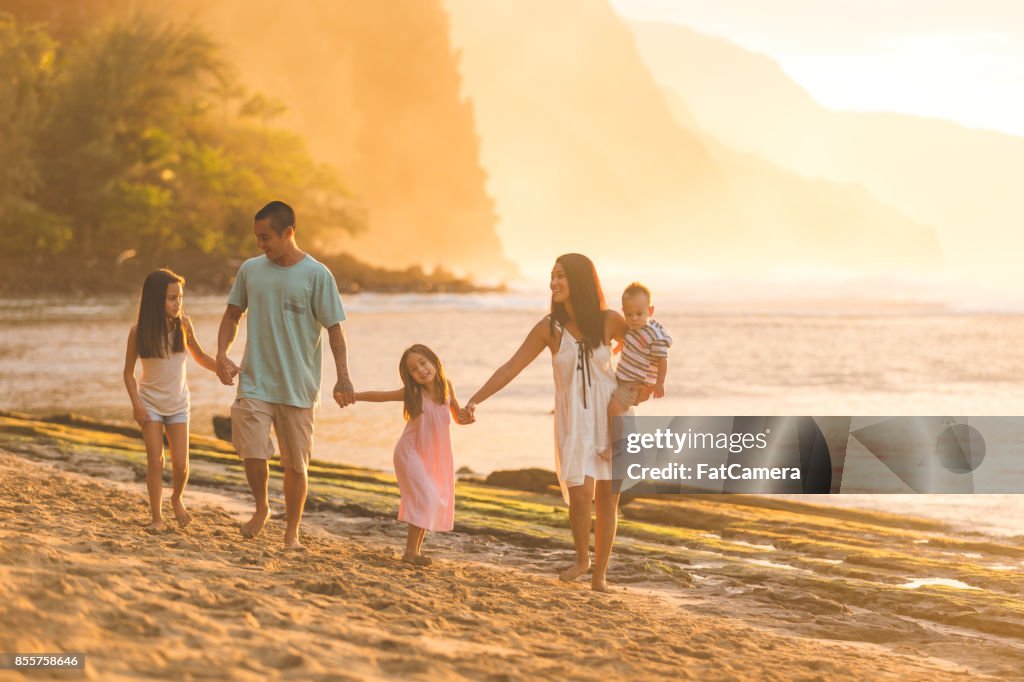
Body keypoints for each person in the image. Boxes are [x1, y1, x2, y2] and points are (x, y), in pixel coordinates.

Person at [460, 254, 646, 592]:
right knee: (580, 496)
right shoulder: (549, 327)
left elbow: (644, 348)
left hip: (612, 415)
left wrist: (640, 388)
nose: (554, 283)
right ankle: (581, 559)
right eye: (552, 276)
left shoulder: (609, 320)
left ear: (580, 280)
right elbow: (510, 367)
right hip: (574, 422)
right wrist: (475, 399)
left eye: (561, 276)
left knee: (608, 500)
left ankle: (600, 577)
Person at [216, 201, 354, 549]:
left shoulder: (317, 274)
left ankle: (291, 533)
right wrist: (222, 354)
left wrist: (343, 377)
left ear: (288, 232)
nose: (261, 245)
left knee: (296, 465)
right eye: (258, 238)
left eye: (266, 238)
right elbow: (233, 315)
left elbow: (335, 330)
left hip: (298, 386)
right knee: (252, 451)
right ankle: (262, 508)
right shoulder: (251, 270)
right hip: (255, 380)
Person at [123, 269, 218, 531]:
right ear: (156, 300)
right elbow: (128, 374)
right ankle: (157, 518)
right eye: (172, 298)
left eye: (180, 297)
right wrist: (137, 405)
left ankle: (177, 498)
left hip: (178, 404)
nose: (178, 303)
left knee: (180, 464)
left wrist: (223, 368)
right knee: (156, 461)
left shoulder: (184, 326)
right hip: (150, 405)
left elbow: (201, 357)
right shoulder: (138, 333)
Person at [355, 344, 463, 566]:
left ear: (434, 361)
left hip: (432, 457)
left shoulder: (447, 388)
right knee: (425, 499)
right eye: (414, 369)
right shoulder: (413, 393)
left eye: (423, 363)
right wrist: (354, 395)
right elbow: (381, 396)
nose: (421, 370)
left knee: (429, 500)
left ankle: (414, 552)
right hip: (409, 453)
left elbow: (459, 416)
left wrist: (469, 413)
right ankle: (410, 552)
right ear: (410, 376)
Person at [604, 282, 671, 460]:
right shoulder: (634, 330)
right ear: (623, 311)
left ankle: (617, 446)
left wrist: (659, 383)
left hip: (634, 383)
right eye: (629, 314)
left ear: (650, 311)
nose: (634, 318)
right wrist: (617, 349)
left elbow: (662, 360)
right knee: (611, 408)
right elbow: (629, 343)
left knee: (614, 409)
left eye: (639, 314)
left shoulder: (654, 336)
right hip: (624, 378)